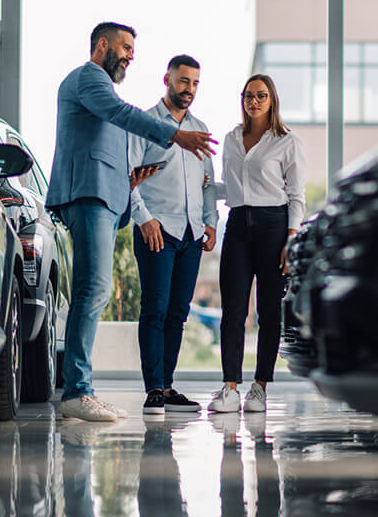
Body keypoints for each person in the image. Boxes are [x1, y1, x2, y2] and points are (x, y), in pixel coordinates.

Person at [46, 22, 216, 423]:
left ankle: (81, 388)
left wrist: (130, 185)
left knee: (96, 292)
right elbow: (121, 114)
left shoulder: (101, 89)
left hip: (104, 198)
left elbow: (116, 158)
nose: (129, 56)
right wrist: (175, 136)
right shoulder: (89, 78)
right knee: (93, 291)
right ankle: (77, 391)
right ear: (101, 44)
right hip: (86, 194)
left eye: (132, 51)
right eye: (124, 47)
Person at [208, 74, 306, 414]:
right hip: (236, 224)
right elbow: (232, 187)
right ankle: (230, 387)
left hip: (273, 226)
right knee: (233, 309)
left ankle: (260, 387)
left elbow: (296, 195)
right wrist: (204, 188)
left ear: (272, 100)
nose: (254, 101)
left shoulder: (286, 141)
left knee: (268, 311)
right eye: (249, 96)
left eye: (261, 96)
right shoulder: (231, 138)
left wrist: (291, 238)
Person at [128, 54, 218, 415]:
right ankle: (153, 389)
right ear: (167, 79)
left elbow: (207, 183)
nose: (189, 89)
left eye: (195, 83)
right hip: (157, 230)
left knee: (178, 313)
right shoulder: (145, 124)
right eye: (183, 81)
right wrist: (144, 219)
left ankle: (166, 386)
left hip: (192, 233)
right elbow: (127, 175)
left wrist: (210, 221)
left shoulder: (200, 127)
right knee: (155, 310)